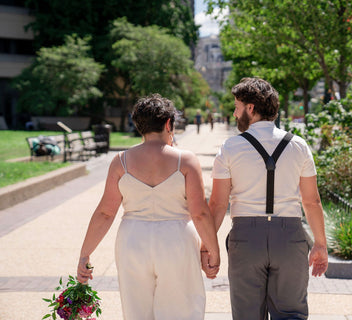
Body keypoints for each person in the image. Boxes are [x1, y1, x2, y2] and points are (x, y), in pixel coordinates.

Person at [77, 94, 220, 320]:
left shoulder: (120, 161)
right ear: (167, 123)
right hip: (177, 240)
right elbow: (200, 213)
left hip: (132, 240)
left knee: (137, 311)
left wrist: (85, 254)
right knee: (182, 308)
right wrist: (213, 250)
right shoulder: (186, 160)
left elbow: (105, 213)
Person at [208, 77, 328, 320]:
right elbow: (311, 201)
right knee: (291, 314)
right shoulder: (299, 146)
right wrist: (320, 244)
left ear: (250, 108)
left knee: (247, 315)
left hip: (246, 239)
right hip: (290, 237)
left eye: (237, 106)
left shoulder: (230, 148)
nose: (234, 113)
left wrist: (207, 246)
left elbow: (218, 204)